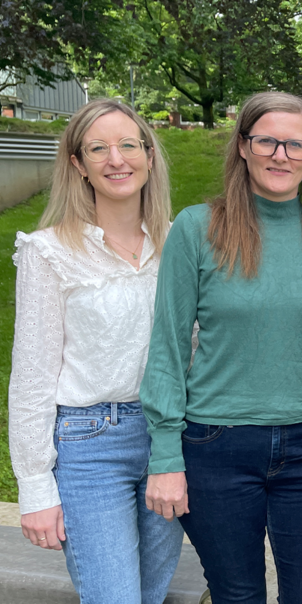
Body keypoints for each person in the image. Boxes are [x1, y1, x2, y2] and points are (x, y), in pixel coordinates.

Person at [140, 91, 302, 603]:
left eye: (295, 144)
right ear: (243, 147)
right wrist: (165, 456)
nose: (280, 155)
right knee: (235, 594)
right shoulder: (198, 229)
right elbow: (168, 347)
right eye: (266, 140)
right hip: (216, 445)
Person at [9, 99, 182, 602]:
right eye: (98, 148)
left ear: (149, 156)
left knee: (150, 594)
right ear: (78, 165)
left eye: (129, 144)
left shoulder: (178, 245)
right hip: (89, 444)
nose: (116, 159)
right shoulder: (49, 252)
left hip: (168, 442)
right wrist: (36, 488)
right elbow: (32, 376)